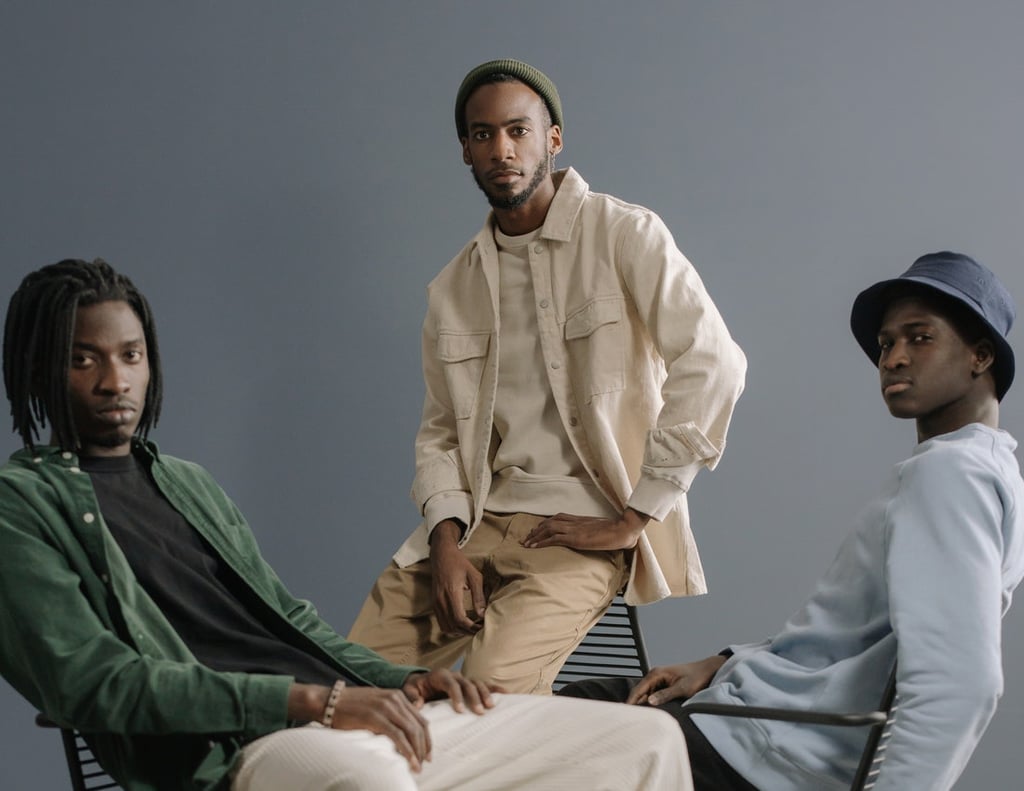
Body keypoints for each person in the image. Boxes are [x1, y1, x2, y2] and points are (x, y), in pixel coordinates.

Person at [0, 258, 692, 790]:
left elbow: (286, 618)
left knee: (644, 740)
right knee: (369, 782)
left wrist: (404, 679)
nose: (115, 381)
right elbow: (93, 682)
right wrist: (315, 702)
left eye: (130, 355)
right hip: (255, 750)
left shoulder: (184, 483)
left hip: (357, 712)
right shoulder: (21, 507)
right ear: (39, 367)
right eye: (83, 359)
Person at [348, 58, 747, 694]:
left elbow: (713, 361)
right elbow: (441, 433)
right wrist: (445, 544)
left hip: (578, 533)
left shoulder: (624, 234)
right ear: (465, 150)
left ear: (553, 138)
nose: (501, 150)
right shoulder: (453, 288)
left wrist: (636, 515)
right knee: (344, 681)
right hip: (476, 526)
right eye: (483, 135)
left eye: (519, 130)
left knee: (490, 698)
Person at [560, 251, 1024, 790]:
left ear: (980, 356)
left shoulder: (952, 475)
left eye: (920, 338)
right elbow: (849, 637)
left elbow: (960, 682)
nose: (894, 358)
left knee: (533, 728)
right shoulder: (989, 473)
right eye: (885, 344)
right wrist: (723, 663)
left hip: (755, 752)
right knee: (565, 705)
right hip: (749, 718)